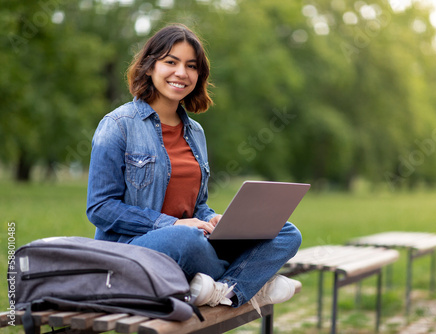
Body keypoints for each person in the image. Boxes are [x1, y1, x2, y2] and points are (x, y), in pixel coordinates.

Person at [86, 23, 302, 311]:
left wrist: (213, 220)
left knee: (286, 232)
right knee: (186, 239)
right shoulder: (117, 126)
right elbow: (99, 208)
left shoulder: (195, 132)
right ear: (150, 67)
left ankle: (225, 290)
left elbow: (196, 205)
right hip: (134, 250)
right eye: (170, 62)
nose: (181, 73)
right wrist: (171, 224)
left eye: (191, 66)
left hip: (191, 239)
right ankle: (253, 284)